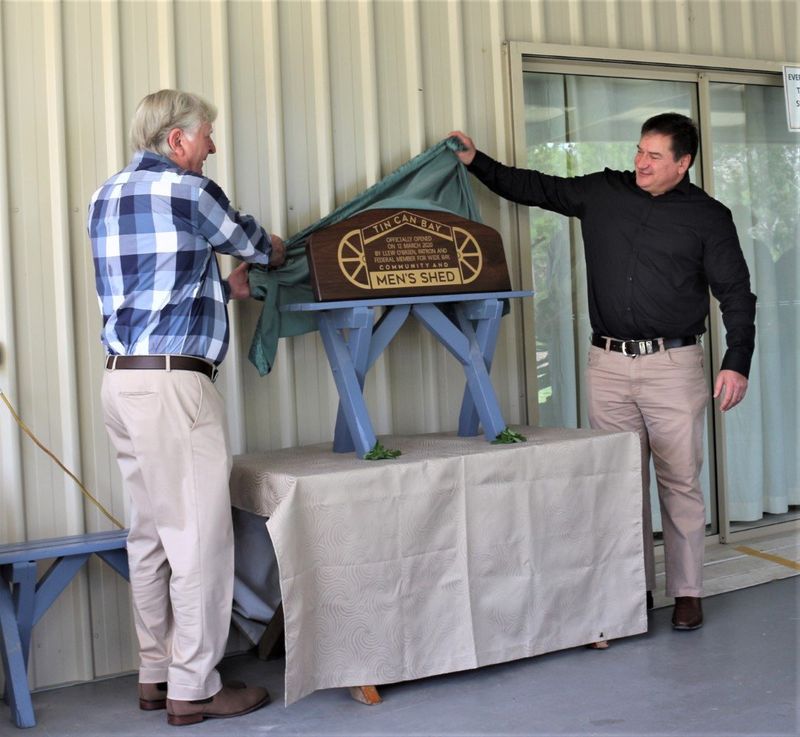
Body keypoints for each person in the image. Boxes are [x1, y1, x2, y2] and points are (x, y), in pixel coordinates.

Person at [450, 113, 756, 631]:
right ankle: (632, 590)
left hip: (674, 366)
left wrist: (737, 361)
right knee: (618, 482)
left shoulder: (709, 216)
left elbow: (736, 294)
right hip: (608, 365)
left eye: (655, 156)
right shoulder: (603, 193)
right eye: (640, 150)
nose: (641, 162)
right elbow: (535, 187)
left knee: (679, 482)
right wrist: (475, 161)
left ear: (683, 163)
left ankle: (687, 592)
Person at [87, 89, 285, 725]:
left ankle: (155, 675)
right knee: (199, 540)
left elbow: (154, 291)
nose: (212, 147)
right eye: (206, 135)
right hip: (174, 388)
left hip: (122, 383)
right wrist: (276, 248)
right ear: (177, 140)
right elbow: (258, 246)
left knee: (149, 536)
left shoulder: (105, 196)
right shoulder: (188, 191)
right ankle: (195, 688)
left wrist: (221, 291)